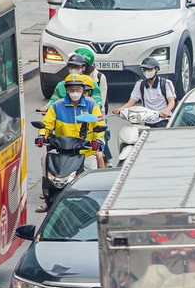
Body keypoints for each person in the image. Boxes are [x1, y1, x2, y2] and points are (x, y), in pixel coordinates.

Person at [37, 73, 104, 211]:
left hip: (85, 151)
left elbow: (100, 125)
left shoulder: (92, 106)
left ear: (83, 90)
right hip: (63, 151)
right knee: (45, 159)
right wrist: (42, 135)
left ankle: (98, 204)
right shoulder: (57, 106)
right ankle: (47, 197)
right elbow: (46, 124)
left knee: (93, 175)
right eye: (71, 89)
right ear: (66, 90)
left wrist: (98, 139)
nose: (75, 92)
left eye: (78, 89)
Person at [113, 57, 176, 126]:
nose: (146, 72)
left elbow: (171, 101)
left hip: (164, 121)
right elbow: (131, 102)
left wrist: (166, 111)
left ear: (156, 69)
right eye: (144, 70)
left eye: (149, 69)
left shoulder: (165, 83)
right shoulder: (140, 84)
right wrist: (120, 109)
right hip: (148, 121)